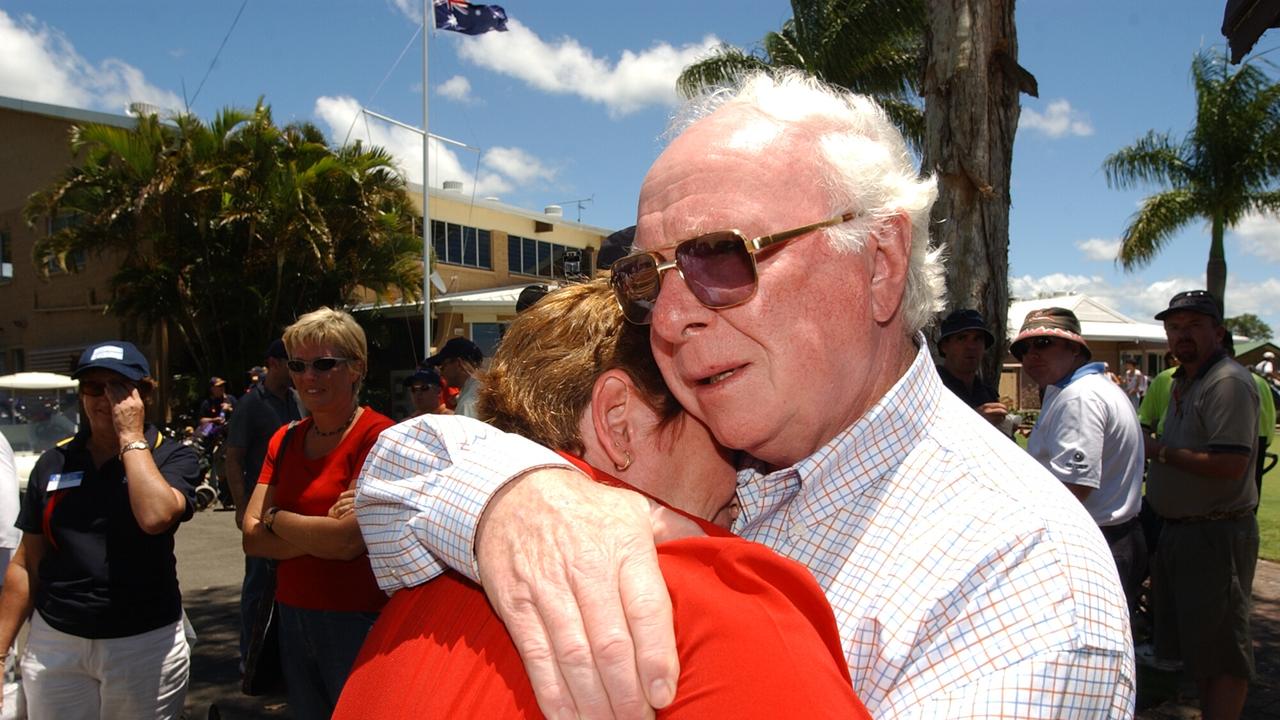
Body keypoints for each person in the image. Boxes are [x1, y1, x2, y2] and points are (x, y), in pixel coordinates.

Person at [356, 71, 1133, 719]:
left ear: (881, 261)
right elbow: (387, 491)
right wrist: (514, 497)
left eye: (722, 257)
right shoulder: (712, 446)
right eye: (645, 278)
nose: (668, 315)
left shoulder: (1023, 584)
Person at [342, 280, 868, 718]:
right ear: (619, 423)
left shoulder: (414, 594)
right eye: (709, 402)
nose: (744, 458)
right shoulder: (726, 609)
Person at [0, 341, 197, 719]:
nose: (105, 398)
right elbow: (27, 563)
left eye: (119, 386)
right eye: (93, 387)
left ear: (145, 393)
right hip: (57, 642)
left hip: (142, 642)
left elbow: (155, 516)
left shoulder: (171, 455)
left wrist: (130, 437)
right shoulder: (54, 461)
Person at [241, 308, 394, 719]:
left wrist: (276, 518)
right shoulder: (285, 438)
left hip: (359, 620)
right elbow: (251, 538)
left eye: (325, 364)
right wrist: (318, 533)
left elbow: (346, 543)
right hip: (291, 616)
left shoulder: (381, 438)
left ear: (356, 368)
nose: (310, 376)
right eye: (298, 365)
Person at [1144, 290, 1260, 720]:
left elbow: (1231, 464)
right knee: (1199, 650)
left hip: (1216, 533)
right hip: (1181, 531)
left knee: (1224, 653)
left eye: (1194, 326)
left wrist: (1160, 452)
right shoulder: (1181, 380)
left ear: (1218, 331)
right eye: (1174, 328)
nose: (1182, 335)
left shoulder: (1226, 381)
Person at [1012, 308, 1146, 616]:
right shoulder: (1092, 388)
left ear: (1074, 348)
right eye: (1024, 349)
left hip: (1094, 540)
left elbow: (1073, 490)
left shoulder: (1079, 398)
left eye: (1044, 343)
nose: (1031, 355)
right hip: (1116, 535)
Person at [224, 338, 302, 670]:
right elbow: (232, 458)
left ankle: (280, 655)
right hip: (261, 507)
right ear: (272, 363)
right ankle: (250, 656)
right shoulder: (250, 405)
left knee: (288, 584)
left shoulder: (297, 400)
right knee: (257, 585)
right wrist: (243, 508)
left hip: (291, 509)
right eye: (291, 362)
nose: (297, 368)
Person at [934, 308, 1008, 428]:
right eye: (962, 338)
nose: (971, 346)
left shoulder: (988, 394)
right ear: (944, 346)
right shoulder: (930, 388)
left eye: (977, 339)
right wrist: (974, 420)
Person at [425, 338, 485, 418]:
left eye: (442, 366)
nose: (441, 373)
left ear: (458, 364)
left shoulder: (468, 403)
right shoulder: (482, 389)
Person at [1138, 352, 1178, 433]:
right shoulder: (1164, 377)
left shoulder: (1163, 377)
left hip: (1164, 436)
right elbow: (1144, 421)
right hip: (1165, 437)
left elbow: (1144, 421)